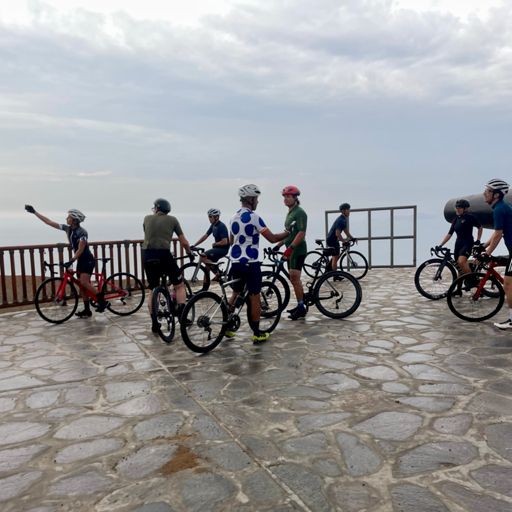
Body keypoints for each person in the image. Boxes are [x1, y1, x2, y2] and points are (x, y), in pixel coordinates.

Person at [227, 184, 290, 344]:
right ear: (250, 199)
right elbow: (272, 238)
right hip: (251, 263)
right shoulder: (254, 217)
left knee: (235, 293)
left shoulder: (233, 217)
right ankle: (257, 333)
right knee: (254, 297)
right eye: (256, 199)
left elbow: (232, 241)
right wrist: (288, 233)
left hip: (236, 262)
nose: (257, 201)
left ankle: (226, 326)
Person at [24, 205, 107, 318]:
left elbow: (80, 249)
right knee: (82, 286)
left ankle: (102, 301)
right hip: (80, 260)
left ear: (74, 220)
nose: (66, 219)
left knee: (84, 283)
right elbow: (49, 222)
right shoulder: (67, 229)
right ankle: (87, 310)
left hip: (87, 260)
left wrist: (71, 260)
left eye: (68, 217)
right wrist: (34, 212)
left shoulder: (82, 232)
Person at [142, 198, 192, 333]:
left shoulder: (147, 218)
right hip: (164, 254)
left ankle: (154, 323)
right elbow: (184, 242)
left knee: (152, 289)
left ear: (157, 208)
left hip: (147, 255)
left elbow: (148, 233)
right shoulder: (173, 220)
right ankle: (182, 315)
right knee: (179, 285)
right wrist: (189, 253)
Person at [480, 179, 512, 329]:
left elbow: (498, 234)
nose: (484, 193)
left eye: (487, 191)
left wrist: (487, 253)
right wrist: (484, 246)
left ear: (496, 195)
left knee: (508, 284)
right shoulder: (501, 207)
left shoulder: (499, 209)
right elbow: (497, 232)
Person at [273, 185, 308, 320]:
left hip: (298, 250)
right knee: (294, 279)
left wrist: (291, 248)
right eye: (284, 197)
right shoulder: (290, 212)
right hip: (290, 250)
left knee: (294, 278)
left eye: (288, 197)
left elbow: (301, 233)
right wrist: (278, 245)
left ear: (295, 198)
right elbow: (289, 233)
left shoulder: (300, 213)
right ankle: (301, 303)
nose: (286, 199)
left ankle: (301, 307)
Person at [438, 199, 483, 294]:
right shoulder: (455, 219)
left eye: (460, 208)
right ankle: (458, 290)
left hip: (468, 243)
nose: (457, 209)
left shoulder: (470, 217)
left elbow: (480, 227)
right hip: (458, 244)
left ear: (465, 209)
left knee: (461, 262)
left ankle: (473, 281)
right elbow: (449, 234)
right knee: (459, 267)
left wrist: (478, 240)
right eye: (457, 207)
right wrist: (440, 245)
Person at [191, 208, 229, 282]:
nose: (209, 218)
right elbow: (205, 236)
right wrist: (195, 245)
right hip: (217, 249)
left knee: (202, 256)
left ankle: (217, 273)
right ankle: (205, 285)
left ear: (216, 217)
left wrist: (215, 243)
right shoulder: (213, 225)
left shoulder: (221, 226)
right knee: (207, 266)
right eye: (208, 216)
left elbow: (225, 242)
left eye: (210, 217)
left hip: (223, 249)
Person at [326, 203, 356, 271]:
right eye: (348, 210)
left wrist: (352, 238)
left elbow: (346, 231)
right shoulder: (340, 220)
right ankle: (335, 274)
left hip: (334, 240)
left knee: (336, 256)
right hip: (331, 240)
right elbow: (337, 234)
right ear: (343, 211)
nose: (349, 211)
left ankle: (329, 268)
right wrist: (344, 241)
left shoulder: (343, 219)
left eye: (349, 209)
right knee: (335, 258)